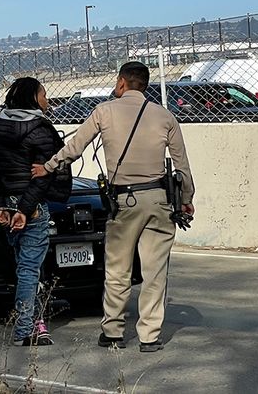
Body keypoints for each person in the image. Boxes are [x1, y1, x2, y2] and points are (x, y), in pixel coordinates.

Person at [32, 61, 194, 353]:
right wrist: (186, 200)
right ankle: (150, 336)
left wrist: (48, 167)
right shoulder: (165, 116)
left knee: (118, 269)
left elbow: (75, 147)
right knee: (155, 272)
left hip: (124, 202)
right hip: (159, 200)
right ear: (145, 85)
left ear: (121, 83)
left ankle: (113, 331)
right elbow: (181, 166)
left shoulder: (104, 111)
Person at [0, 76, 62, 347]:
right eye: (43, 95)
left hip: (7, 206)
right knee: (30, 269)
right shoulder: (42, 129)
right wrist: (26, 210)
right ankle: (24, 330)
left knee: (25, 267)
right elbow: (44, 176)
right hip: (32, 208)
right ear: (32, 98)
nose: (47, 101)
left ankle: (36, 323)